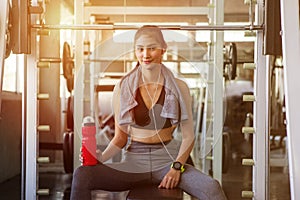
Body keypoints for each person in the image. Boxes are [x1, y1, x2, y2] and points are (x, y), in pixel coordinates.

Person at [70, 25, 227, 200]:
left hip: (168, 159)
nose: (145, 54)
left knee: (212, 188)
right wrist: (101, 157)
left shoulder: (180, 87)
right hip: (133, 164)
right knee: (82, 175)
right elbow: (120, 138)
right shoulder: (122, 87)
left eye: (152, 48)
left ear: (163, 49)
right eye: (140, 49)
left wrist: (177, 167)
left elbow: (188, 137)